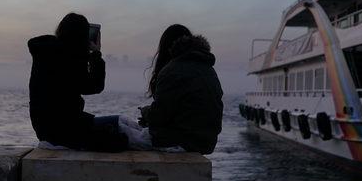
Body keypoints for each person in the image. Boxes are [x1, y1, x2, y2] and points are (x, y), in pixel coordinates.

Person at [27, 13, 127, 151]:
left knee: (121, 123)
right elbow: (94, 86)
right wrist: (96, 53)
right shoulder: (68, 57)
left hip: (46, 128)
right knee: (122, 136)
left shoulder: (46, 52)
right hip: (64, 130)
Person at [131, 26, 223, 154]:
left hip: (181, 142)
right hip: (205, 143)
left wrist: (146, 112)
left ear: (166, 48)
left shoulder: (173, 69)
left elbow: (158, 117)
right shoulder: (208, 69)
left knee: (114, 126)